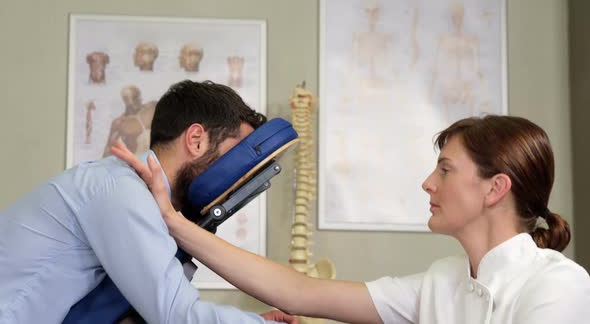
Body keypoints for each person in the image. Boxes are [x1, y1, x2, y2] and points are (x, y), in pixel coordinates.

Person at [113, 115, 590, 324]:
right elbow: (299, 292)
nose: (428, 183)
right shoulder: (442, 284)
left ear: (495, 188)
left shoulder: (559, 286)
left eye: (445, 170)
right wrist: (175, 223)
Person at [0, 80, 297, 324]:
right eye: (236, 154)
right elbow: (176, 316)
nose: (238, 178)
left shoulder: (146, 202)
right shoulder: (121, 189)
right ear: (196, 140)